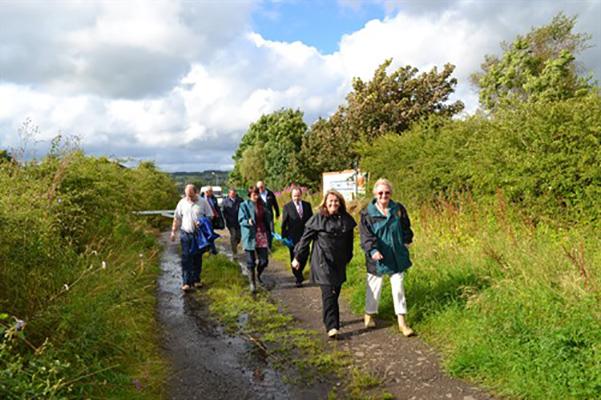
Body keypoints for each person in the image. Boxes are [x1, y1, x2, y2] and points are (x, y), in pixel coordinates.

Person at [293, 190, 356, 339]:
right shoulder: (317, 219)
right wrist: (298, 258)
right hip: (322, 262)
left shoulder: (346, 220)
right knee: (329, 293)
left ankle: (330, 319)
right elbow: (305, 240)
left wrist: (348, 258)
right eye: (330, 201)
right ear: (325, 203)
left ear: (340, 203)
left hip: (339, 262)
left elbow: (349, 243)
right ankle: (332, 326)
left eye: (336, 201)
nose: (333, 204)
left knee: (336, 292)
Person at [359, 178, 415, 337]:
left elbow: (406, 227)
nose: (384, 195)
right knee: (374, 289)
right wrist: (373, 250)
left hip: (397, 255)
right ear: (375, 194)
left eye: (387, 192)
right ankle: (369, 315)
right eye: (381, 193)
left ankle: (402, 323)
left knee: (398, 288)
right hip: (376, 258)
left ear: (391, 193)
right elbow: (365, 236)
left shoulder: (398, 209)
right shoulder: (367, 213)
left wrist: (406, 240)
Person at [170, 184, 214, 292]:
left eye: (191, 195)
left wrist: (202, 222)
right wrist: (173, 232)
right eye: (187, 195)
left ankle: (196, 279)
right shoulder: (182, 202)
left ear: (196, 192)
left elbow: (210, 216)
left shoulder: (203, 202)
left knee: (197, 257)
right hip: (185, 233)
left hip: (198, 235)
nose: (189, 197)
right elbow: (176, 218)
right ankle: (186, 282)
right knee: (186, 257)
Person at [239, 186, 273, 293]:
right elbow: (241, 220)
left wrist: (271, 230)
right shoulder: (243, 205)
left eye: (257, 194)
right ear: (249, 195)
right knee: (250, 262)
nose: (256, 196)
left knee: (264, 261)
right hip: (249, 235)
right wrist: (247, 222)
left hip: (261, 234)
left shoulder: (262, 204)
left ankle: (258, 275)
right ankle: (252, 283)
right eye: (254, 194)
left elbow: (268, 218)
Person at [281, 186, 313, 287]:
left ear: (301, 195)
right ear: (291, 196)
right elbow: (284, 223)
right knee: (294, 256)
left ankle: (300, 271)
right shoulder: (287, 207)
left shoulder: (307, 205)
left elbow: (311, 220)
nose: (297, 198)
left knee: (305, 255)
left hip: (305, 236)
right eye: (295, 196)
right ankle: (298, 277)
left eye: (298, 196)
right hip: (293, 237)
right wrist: (284, 237)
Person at [221, 188, 243, 255]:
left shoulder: (240, 200)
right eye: (231, 193)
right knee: (233, 235)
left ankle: (235, 244)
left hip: (239, 221)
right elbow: (223, 212)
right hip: (230, 222)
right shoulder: (225, 201)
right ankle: (234, 252)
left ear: (236, 193)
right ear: (229, 194)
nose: (233, 194)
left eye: (234, 193)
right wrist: (225, 219)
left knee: (239, 236)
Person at [202, 187, 224, 254]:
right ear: (206, 192)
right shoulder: (201, 199)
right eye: (210, 191)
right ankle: (211, 250)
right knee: (208, 233)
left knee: (210, 233)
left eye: (212, 191)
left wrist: (219, 216)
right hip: (205, 219)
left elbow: (216, 207)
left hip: (213, 219)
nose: (212, 193)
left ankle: (211, 249)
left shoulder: (213, 198)